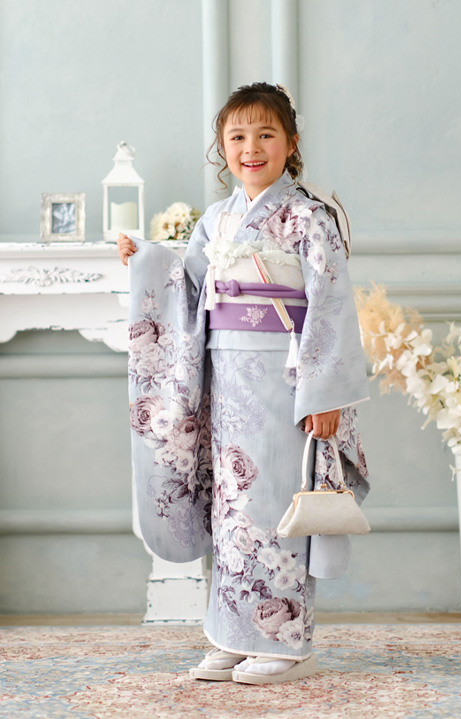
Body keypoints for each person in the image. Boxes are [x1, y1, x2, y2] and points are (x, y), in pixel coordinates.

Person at [118, 82, 369, 685]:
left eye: (265, 134)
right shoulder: (218, 219)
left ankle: (287, 644)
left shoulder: (309, 217)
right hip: (228, 377)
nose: (250, 148)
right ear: (222, 148)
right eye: (237, 137)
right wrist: (145, 258)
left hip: (286, 377)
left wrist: (325, 394)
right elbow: (187, 287)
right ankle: (233, 635)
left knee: (275, 501)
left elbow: (332, 304)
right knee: (233, 506)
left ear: (291, 143)